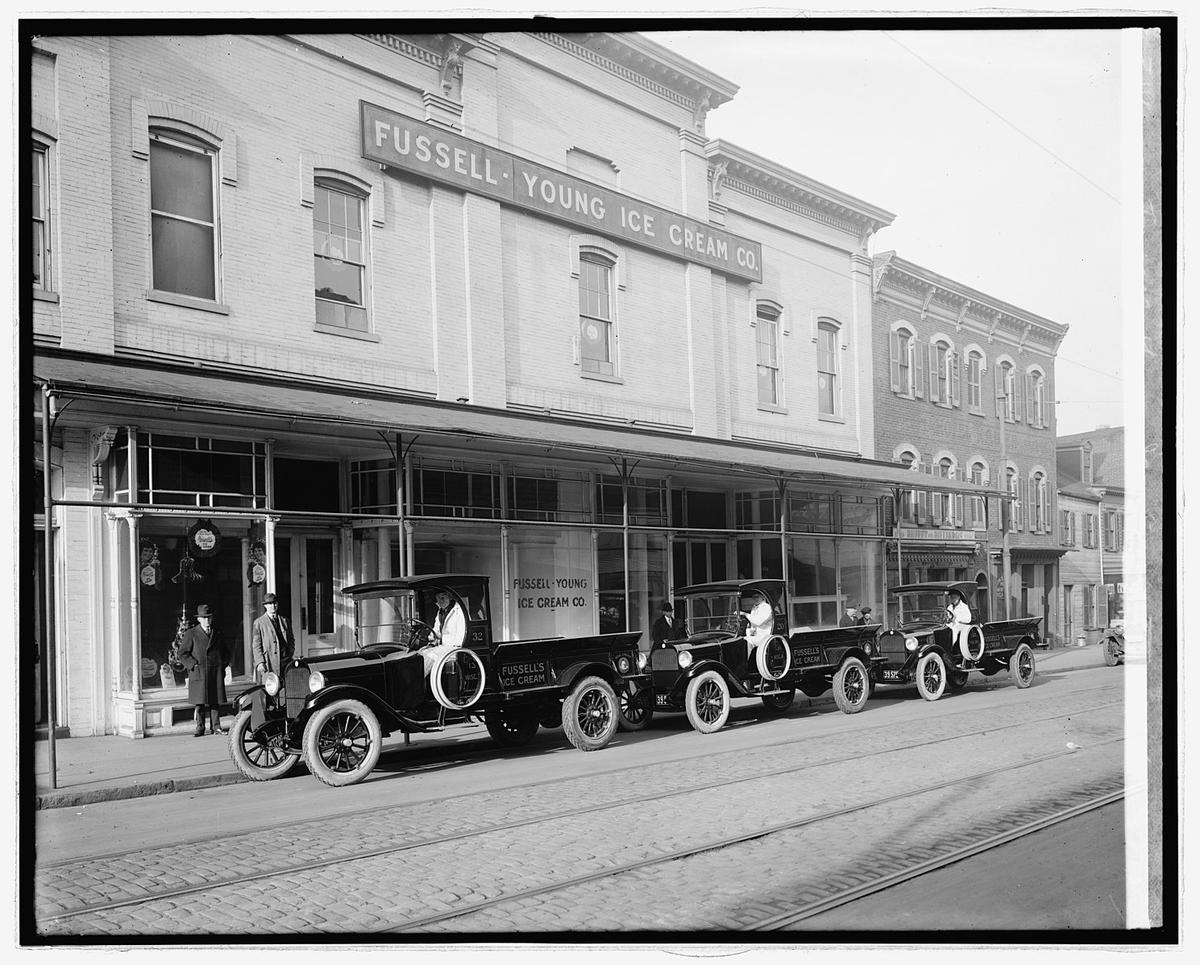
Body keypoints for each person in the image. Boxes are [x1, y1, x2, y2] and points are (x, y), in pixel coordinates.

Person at [179, 603, 230, 737]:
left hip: (214, 671)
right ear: (199, 619)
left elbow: (226, 652)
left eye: (209, 618)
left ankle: (216, 727)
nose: (207, 620)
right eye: (204, 618)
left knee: (215, 701)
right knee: (199, 702)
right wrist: (193, 665)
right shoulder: (191, 633)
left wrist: (222, 665)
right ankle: (200, 727)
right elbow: (182, 653)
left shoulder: (217, 632)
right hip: (199, 671)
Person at [419, 588, 466, 676]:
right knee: (421, 653)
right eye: (438, 598)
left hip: (455, 649)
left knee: (431, 656)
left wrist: (441, 639)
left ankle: (418, 679)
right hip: (443, 647)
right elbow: (436, 631)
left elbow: (460, 639)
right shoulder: (440, 612)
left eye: (443, 598)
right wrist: (431, 637)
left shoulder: (459, 612)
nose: (440, 601)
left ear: (450, 597)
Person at [251, 592, 295, 681]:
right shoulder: (259, 623)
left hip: (285, 660)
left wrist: (290, 652)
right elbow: (256, 645)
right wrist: (260, 662)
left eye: (274, 603)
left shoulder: (284, 620)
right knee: (272, 685)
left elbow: (291, 639)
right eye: (270, 604)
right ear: (265, 606)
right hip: (270, 661)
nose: (273, 606)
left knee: (287, 684)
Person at [742, 590, 775, 655]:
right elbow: (753, 623)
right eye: (753, 597)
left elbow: (758, 622)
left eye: (757, 597)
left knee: (746, 641)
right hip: (756, 634)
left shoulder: (766, 607)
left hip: (764, 635)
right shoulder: (755, 607)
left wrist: (745, 614)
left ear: (763, 597)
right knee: (741, 639)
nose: (755, 599)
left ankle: (748, 660)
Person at [945, 589, 975, 660]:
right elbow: (948, 616)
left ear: (958, 597)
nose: (953, 599)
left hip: (963, 625)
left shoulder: (964, 606)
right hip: (952, 624)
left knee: (954, 630)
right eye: (951, 598)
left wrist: (957, 619)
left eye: (954, 597)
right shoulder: (950, 607)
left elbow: (968, 619)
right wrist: (948, 619)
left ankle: (950, 648)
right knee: (945, 628)